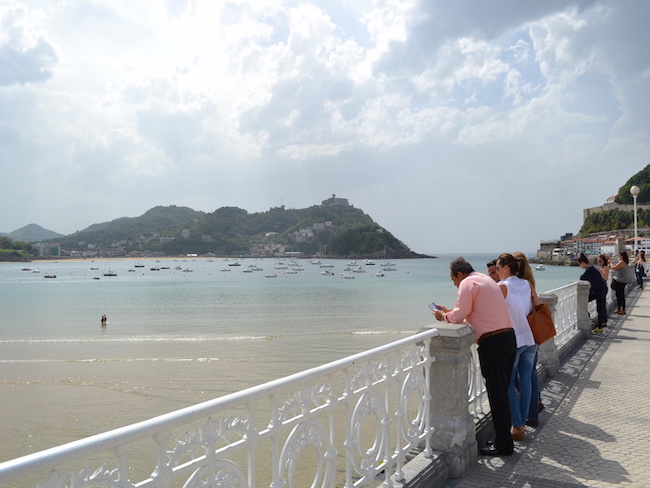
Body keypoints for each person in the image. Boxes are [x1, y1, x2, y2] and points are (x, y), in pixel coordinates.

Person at [432, 257, 516, 456]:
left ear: (460, 275)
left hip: (493, 343)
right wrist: (451, 312)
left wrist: (443, 316)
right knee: (502, 393)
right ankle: (505, 440)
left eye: (454, 280)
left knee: (497, 396)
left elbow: (459, 317)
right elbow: (474, 311)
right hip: (508, 338)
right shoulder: (485, 280)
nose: (455, 284)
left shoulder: (468, 283)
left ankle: (504, 445)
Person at [496, 253, 538, 442]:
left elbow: (487, 308)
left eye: (497, 268)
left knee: (507, 383)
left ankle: (518, 424)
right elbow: (537, 304)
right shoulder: (527, 284)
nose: (497, 273)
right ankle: (521, 425)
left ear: (505, 268)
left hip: (515, 340)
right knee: (526, 381)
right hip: (531, 338)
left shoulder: (502, 287)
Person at [512, 251, 543, 427]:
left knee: (517, 378)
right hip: (533, 334)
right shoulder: (528, 284)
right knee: (530, 376)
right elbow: (537, 306)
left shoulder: (514, 285)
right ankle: (533, 414)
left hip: (520, 335)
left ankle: (524, 414)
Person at [577, 253, 608, 333]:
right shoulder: (592, 268)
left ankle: (600, 326)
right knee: (601, 307)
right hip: (602, 289)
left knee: (599, 308)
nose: (580, 266)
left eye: (580, 264)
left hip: (600, 291)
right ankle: (602, 324)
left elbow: (582, 278)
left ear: (582, 263)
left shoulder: (589, 270)